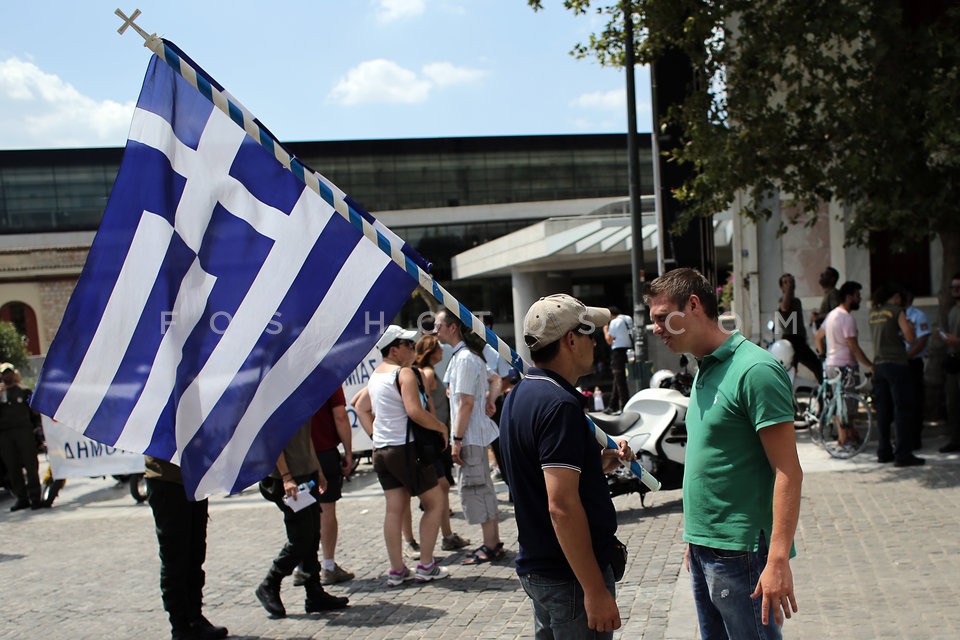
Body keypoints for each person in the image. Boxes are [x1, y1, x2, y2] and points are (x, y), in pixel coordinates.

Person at [647, 268, 802, 639]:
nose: (655, 328)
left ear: (694, 305)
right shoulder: (705, 368)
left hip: (742, 551)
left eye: (661, 317)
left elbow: (789, 471)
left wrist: (777, 558)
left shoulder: (755, 370)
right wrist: (695, 539)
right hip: (705, 547)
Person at [500, 294, 631, 638]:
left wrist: (598, 463)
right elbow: (561, 507)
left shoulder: (519, 395)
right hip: (568, 577)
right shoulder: (560, 406)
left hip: (543, 569)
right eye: (589, 332)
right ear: (571, 340)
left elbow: (540, 478)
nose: (595, 342)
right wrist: (594, 589)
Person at [352, 325, 450, 586]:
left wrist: (376, 435)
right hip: (405, 449)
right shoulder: (403, 373)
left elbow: (360, 407)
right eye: (407, 345)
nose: (411, 348)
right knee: (435, 502)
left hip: (382, 451)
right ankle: (426, 565)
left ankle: (397, 569)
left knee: (394, 509)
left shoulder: (375, 376)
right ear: (394, 350)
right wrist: (441, 427)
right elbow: (414, 411)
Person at [255, 422, 349, 618]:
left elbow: (306, 438)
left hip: (306, 472)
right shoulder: (277, 397)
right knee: (300, 537)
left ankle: (314, 592)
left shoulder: (300, 397)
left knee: (313, 532)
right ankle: (270, 583)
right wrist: (287, 476)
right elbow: (273, 439)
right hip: (287, 478)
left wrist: (318, 470)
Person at [435, 309, 507, 566]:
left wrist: (456, 439)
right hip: (473, 433)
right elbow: (495, 379)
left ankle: (490, 544)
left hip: (469, 435)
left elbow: (465, 402)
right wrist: (490, 399)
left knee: (477, 489)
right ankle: (492, 542)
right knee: (481, 488)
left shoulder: (464, 358)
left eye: (439, 326)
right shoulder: (463, 357)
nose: (436, 331)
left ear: (452, 327)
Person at [144, 456, 228, 640]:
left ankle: (195, 617)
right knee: (175, 557)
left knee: (195, 554)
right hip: (166, 480)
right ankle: (180, 626)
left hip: (195, 480)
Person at [291, 388, 355, 587]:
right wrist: (348, 451)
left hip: (297, 456)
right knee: (326, 509)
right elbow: (340, 416)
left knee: (300, 510)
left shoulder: (290, 377)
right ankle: (327, 566)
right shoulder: (327, 378)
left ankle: (302, 566)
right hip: (324, 451)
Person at [414, 334, 470, 552]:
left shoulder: (429, 372)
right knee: (441, 488)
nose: (442, 351)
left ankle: (447, 535)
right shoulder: (426, 373)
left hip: (436, 436)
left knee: (444, 487)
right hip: (433, 437)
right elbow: (424, 405)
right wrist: (437, 428)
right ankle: (444, 536)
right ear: (431, 351)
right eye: (438, 348)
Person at [868, 283, 922, 466]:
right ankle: (903, 454)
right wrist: (909, 329)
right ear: (896, 297)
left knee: (883, 411)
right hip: (897, 365)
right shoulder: (897, 311)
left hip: (879, 365)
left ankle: (883, 451)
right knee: (903, 410)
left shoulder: (874, 313)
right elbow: (909, 337)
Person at [815, 281, 874, 447]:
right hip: (846, 366)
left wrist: (823, 356)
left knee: (838, 402)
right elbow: (853, 346)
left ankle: (846, 436)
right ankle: (845, 438)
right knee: (848, 405)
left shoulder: (832, 315)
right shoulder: (847, 318)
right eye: (857, 295)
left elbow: (818, 337)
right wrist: (870, 365)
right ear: (849, 297)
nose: (860, 298)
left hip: (831, 365)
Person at [0, 362, 42, 511]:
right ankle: (22, 498)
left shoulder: (24, 391)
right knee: (12, 468)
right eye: (4, 373)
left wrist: (39, 431)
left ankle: (35, 497)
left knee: (31, 466)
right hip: (5, 435)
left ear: (14, 373)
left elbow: (35, 413)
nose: (7, 375)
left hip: (24, 432)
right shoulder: (1, 393)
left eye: (9, 372)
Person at [775, 273, 823, 383]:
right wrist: (788, 289)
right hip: (790, 340)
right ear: (782, 287)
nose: (790, 284)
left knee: (815, 366)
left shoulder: (796, 301)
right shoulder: (783, 300)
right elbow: (784, 307)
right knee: (813, 365)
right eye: (786, 282)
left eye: (791, 282)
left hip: (799, 340)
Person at [902, 288, 931, 449]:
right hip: (900, 363)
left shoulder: (918, 316)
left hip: (913, 363)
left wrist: (906, 357)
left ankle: (914, 439)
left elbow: (922, 341)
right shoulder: (896, 315)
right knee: (902, 402)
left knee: (915, 401)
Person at [939, 273, 960, 453]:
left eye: (958, 288)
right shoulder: (952, 311)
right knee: (952, 402)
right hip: (953, 359)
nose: (954, 291)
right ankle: (955, 439)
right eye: (953, 288)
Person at [602, 306, 633, 413]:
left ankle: (624, 406)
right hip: (629, 350)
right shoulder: (628, 318)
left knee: (620, 380)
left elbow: (609, 340)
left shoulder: (615, 322)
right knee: (618, 378)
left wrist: (605, 330)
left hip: (618, 352)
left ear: (611, 315)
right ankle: (612, 405)